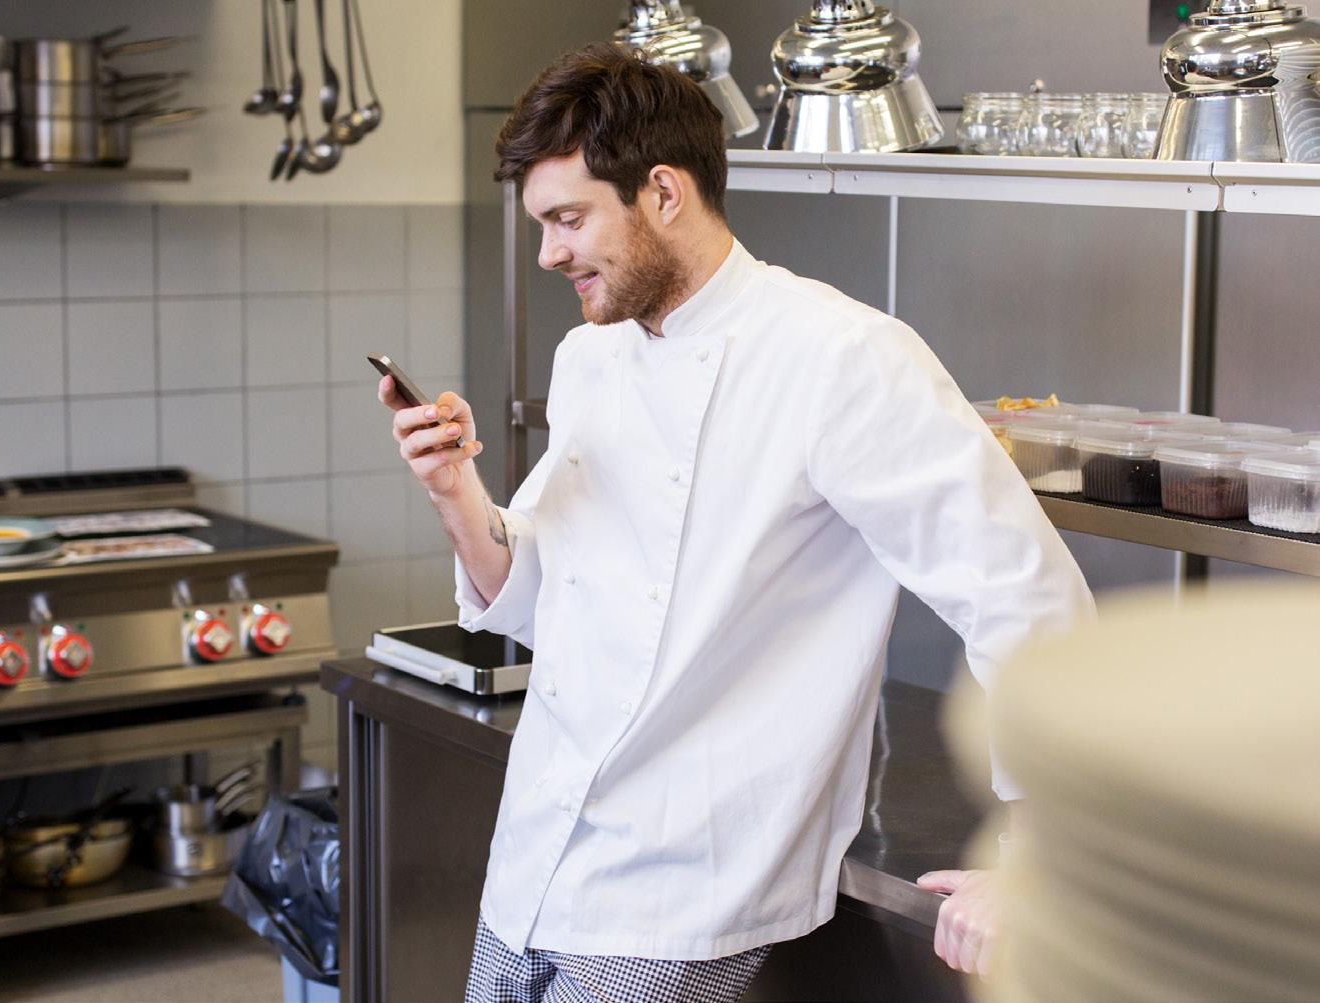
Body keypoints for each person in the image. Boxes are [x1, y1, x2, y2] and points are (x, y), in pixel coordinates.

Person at [379, 43, 1096, 1002]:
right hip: (536, 854)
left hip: (685, 879)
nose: (547, 253)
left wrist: (1043, 849)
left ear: (662, 193)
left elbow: (1020, 590)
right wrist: (452, 490)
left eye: (567, 220)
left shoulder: (839, 356)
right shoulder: (590, 356)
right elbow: (539, 594)